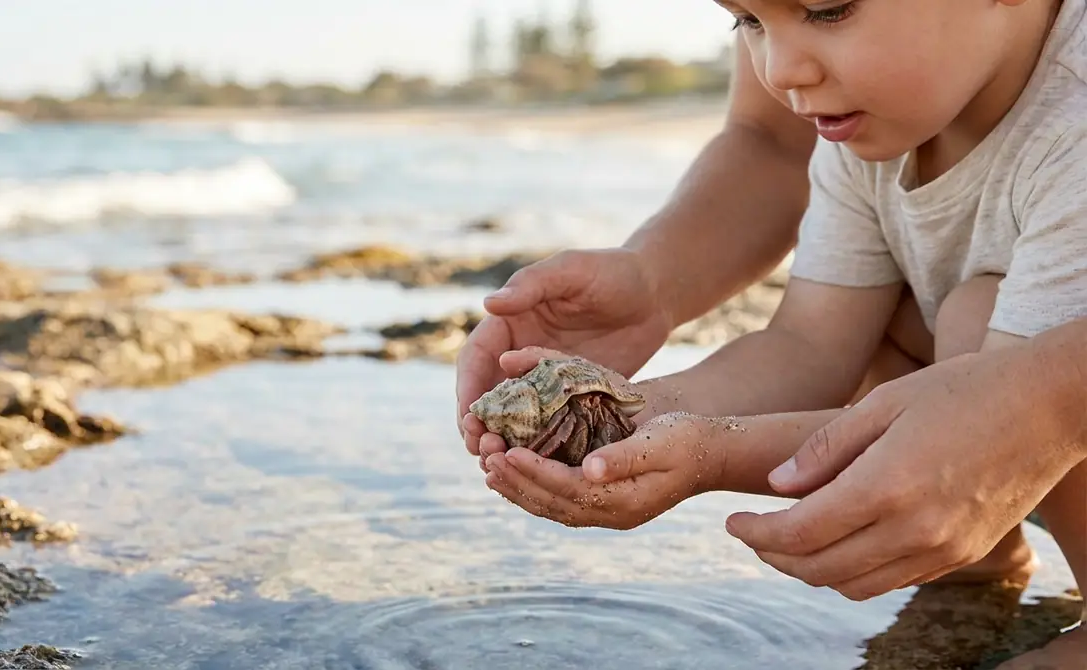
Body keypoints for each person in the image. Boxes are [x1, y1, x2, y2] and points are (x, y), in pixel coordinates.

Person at [456, 0, 1087, 664]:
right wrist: (626, 422)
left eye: (827, 9)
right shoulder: (865, 131)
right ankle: (973, 564)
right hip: (1006, 429)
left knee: (977, 315)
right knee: (885, 313)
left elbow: (997, 415)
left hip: (1043, 420)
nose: (779, 70)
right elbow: (808, 344)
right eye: (748, 21)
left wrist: (711, 458)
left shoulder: (1071, 123)